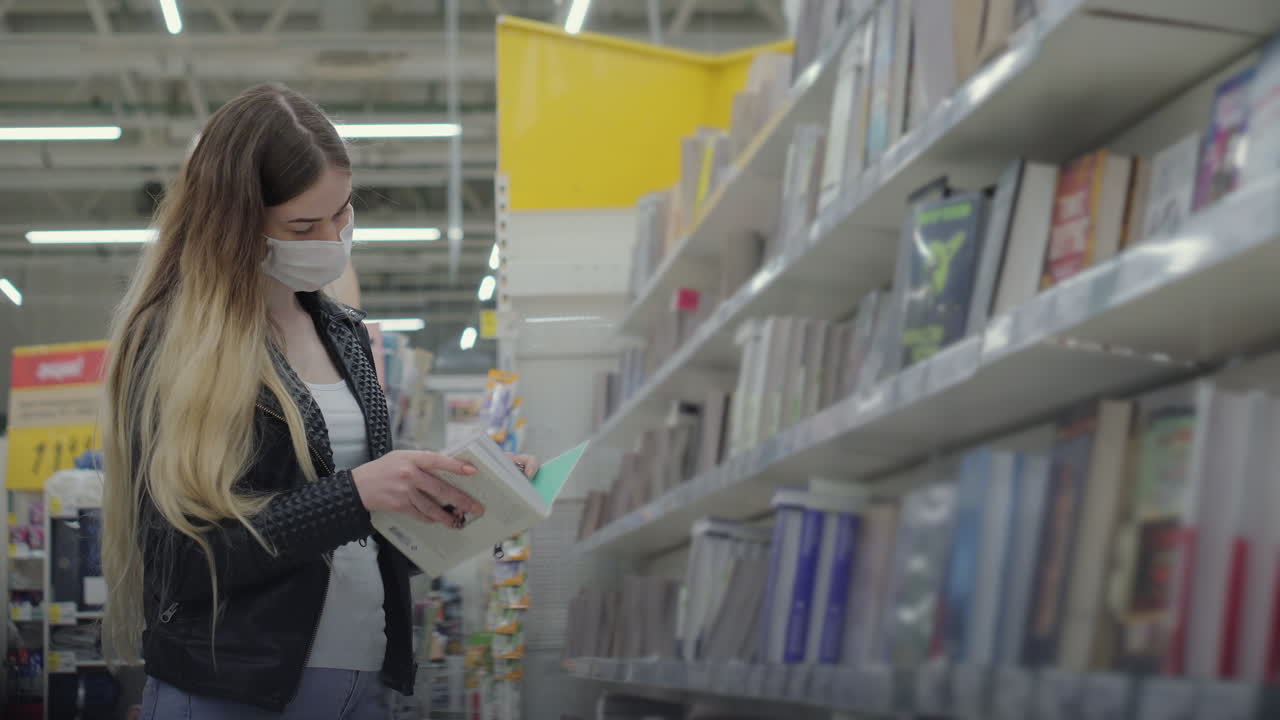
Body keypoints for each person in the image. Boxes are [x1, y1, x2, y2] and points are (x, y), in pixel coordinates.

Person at [100, 83, 537, 719]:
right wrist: (356, 494)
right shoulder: (172, 344)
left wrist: (462, 499)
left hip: (363, 679)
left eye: (343, 213)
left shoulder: (344, 333)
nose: (333, 238)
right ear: (236, 226)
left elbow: (353, 540)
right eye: (304, 225)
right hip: (232, 691)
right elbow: (183, 565)